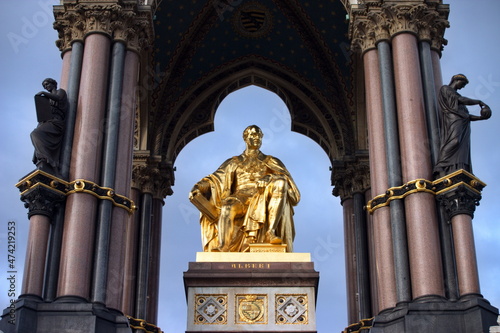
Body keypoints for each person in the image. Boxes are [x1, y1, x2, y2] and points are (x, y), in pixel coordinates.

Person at [189, 125, 300, 252]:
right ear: (245, 138)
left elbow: (288, 184)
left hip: (262, 196)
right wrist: (198, 187)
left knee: (280, 182)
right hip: (239, 197)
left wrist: (270, 177)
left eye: (259, 135)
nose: (256, 137)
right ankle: (224, 246)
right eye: (253, 135)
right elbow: (214, 179)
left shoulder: (271, 161)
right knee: (227, 207)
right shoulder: (234, 162)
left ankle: (271, 232)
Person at [434, 74, 491, 177]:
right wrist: (478, 102)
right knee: (454, 141)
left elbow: (466, 116)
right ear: (456, 80)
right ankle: (440, 166)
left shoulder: (457, 97)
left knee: (463, 148)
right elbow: (462, 100)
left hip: (463, 123)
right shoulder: (446, 89)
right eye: (463, 83)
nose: (463, 86)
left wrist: (481, 117)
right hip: (453, 120)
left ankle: (457, 167)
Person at [30, 78, 68, 174]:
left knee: (36, 134)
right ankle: (45, 159)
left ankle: (49, 160)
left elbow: (59, 98)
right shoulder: (47, 99)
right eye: (44, 86)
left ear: (53, 84)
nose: (46, 87)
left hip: (56, 122)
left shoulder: (60, 92)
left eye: (47, 84)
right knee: (34, 134)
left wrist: (44, 93)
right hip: (47, 121)